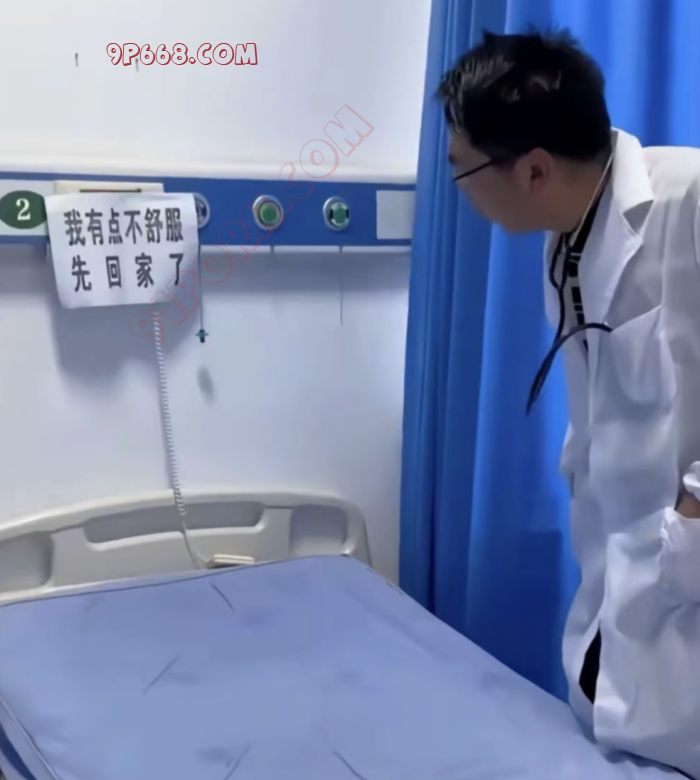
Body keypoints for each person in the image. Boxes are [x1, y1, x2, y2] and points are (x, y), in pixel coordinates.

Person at [437, 29, 700, 778]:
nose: (462, 191)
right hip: (625, 585)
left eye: (463, 171)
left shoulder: (689, 201)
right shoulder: (568, 239)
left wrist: (693, 513)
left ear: (534, 169)